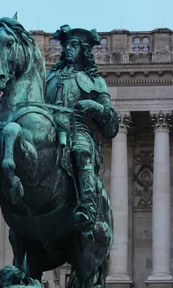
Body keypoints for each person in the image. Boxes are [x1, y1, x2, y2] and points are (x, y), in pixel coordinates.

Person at [45, 25, 119, 228]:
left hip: (77, 130)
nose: (69, 48)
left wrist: (94, 106)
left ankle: (88, 208)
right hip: (47, 128)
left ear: (83, 50)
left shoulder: (95, 81)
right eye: (66, 45)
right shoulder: (48, 78)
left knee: (80, 151)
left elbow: (111, 122)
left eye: (74, 45)